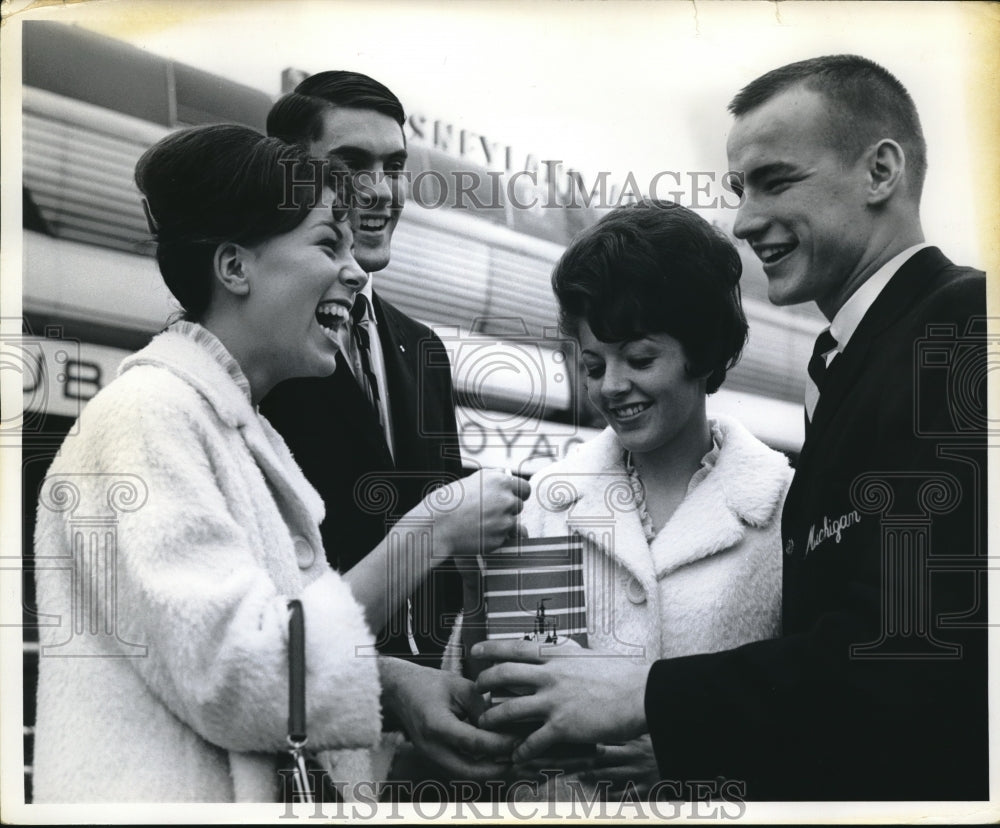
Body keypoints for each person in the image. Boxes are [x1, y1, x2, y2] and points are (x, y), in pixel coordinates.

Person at [473, 54, 988, 802]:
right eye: (740, 189)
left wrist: (658, 712)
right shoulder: (853, 358)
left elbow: (921, 649)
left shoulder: (957, 331)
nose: (744, 219)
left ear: (881, 171)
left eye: (776, 179)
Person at [31, 124, 525, 803]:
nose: (354, 272)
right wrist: (428, 533)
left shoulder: (231, 430)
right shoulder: (146, 415)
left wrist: (395, 686)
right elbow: (242, 678)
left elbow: (259, 654)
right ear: (234, 268)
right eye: (328, 243)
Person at [459, 199, 791, 799]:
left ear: (704, 352)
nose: (611, 386)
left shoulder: (783, 512)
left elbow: (820, 714)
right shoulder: (545, 506)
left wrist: (692, 751)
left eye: (640, 358)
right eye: (592, 364)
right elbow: (500, 696)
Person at [260, 71, 465, 669]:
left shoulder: (422, 348)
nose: (380, 190)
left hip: (417, 730)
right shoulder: (255, 344)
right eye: (352, 163)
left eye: (395, 166)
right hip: (300, 702)